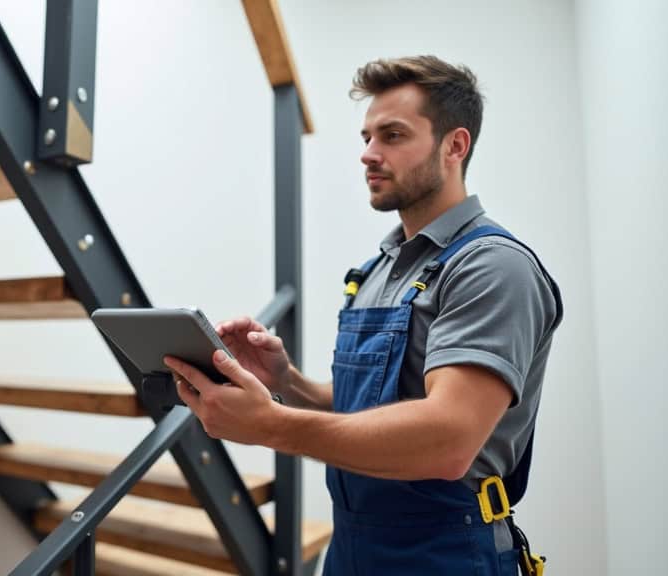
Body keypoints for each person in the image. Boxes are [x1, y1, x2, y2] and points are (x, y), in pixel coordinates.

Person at [163, 56, 563, 575]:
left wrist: (272, 425)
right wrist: (289, 383)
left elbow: (448, 439)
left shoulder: (491, 266)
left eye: (392, 136)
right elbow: (371, 405)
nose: (368, 155)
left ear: (454, 146)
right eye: (367, 137)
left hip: (445, 552)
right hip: (352, 545)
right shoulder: (376, 269)